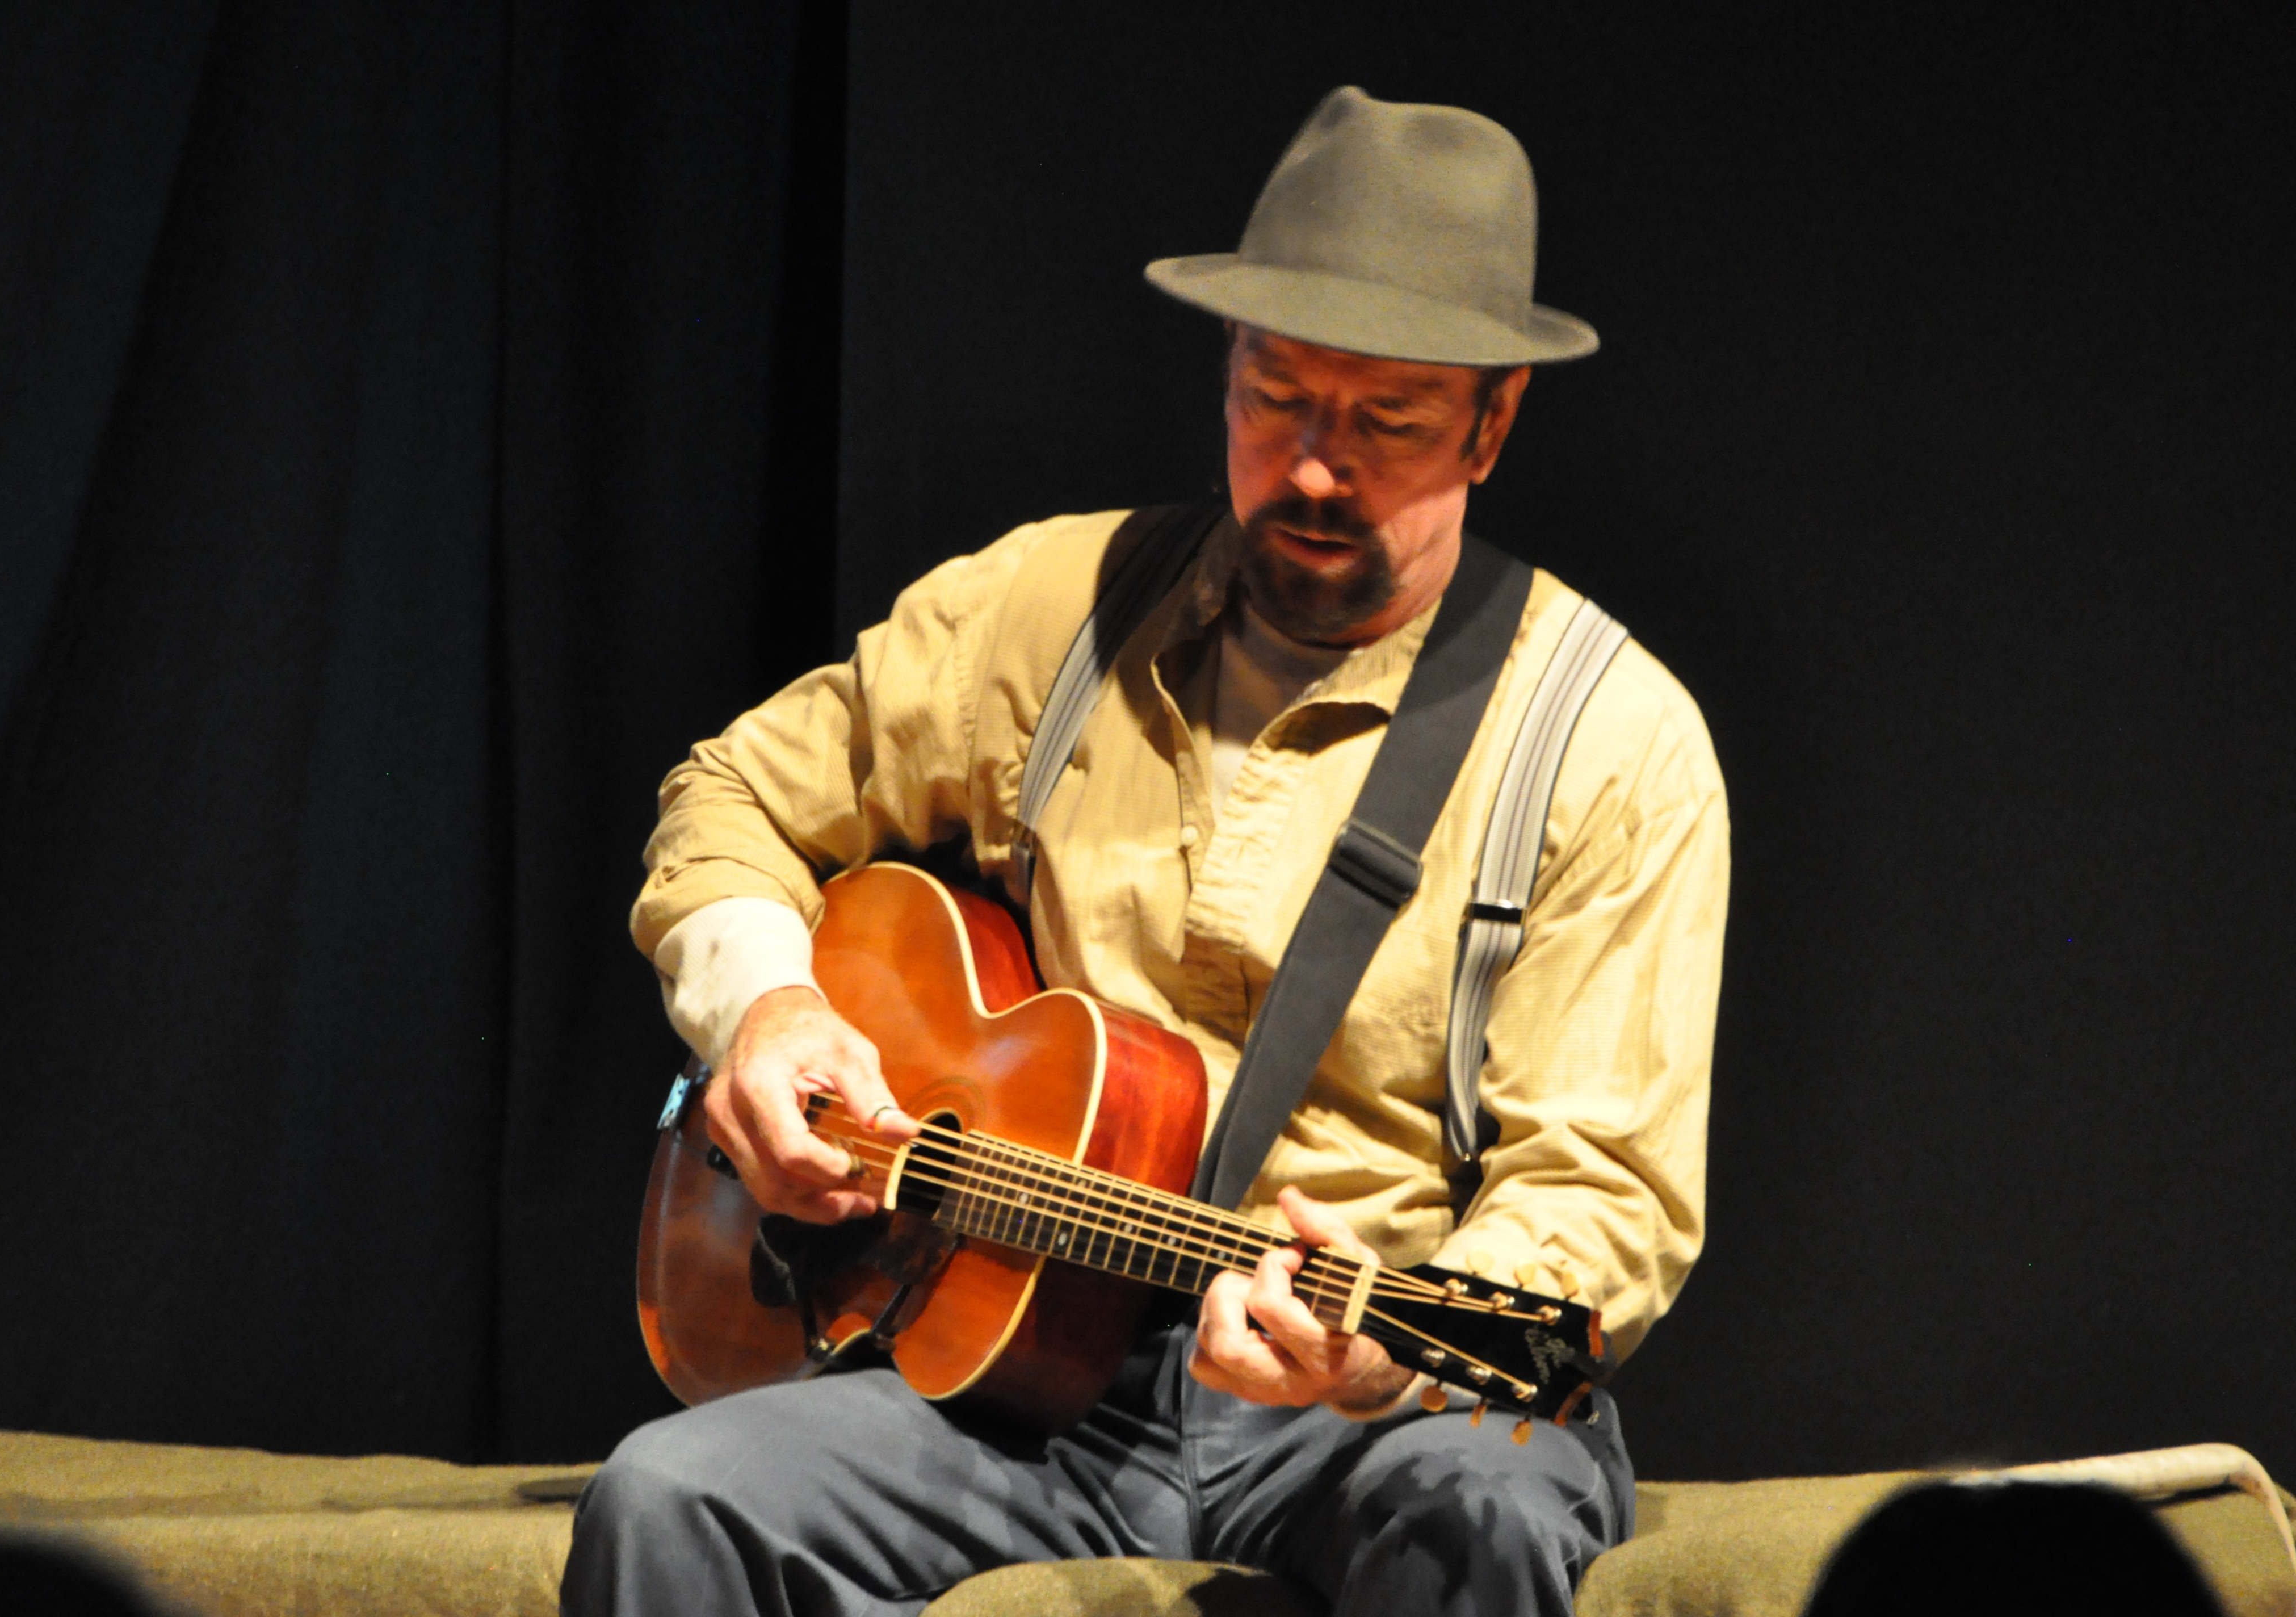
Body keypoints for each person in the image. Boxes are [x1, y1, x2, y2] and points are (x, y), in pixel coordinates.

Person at [564, 86, 1730, 1617]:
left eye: (1386, 420)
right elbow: (735, 794)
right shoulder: (1052, 609)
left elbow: (1604, 1199)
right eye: (1275, 395)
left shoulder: (1611, 741)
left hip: (1384, 1413)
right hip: (1034, 1383)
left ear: (1492, 424)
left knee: (1483, 1517)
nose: (1315, 468)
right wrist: (768, 1010)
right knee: (672, 1502)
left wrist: (1382, 1348)